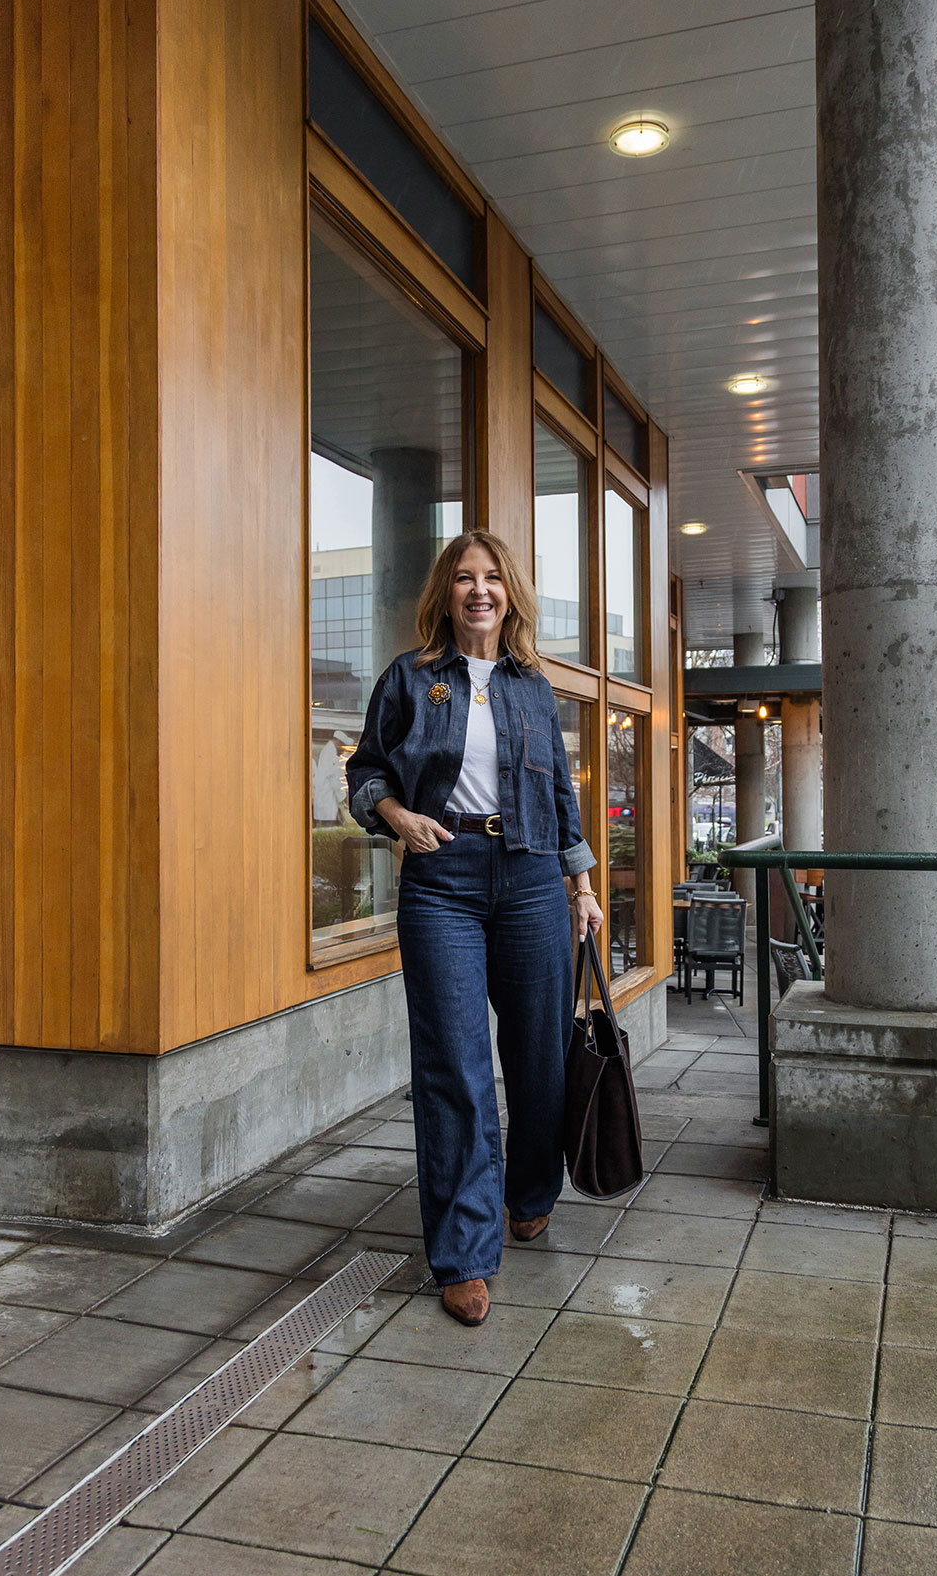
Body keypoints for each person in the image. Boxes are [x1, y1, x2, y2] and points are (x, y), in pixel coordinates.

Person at [346, 530, 603, 1326]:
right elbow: (365, 772)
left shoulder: (533, 685)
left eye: (492, 578)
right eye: (464, 578)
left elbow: (562, 792)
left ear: (510, 594)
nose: (479, 590)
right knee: (454, 1067)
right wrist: (395, 818)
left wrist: (583, 887)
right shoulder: (410, 678)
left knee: (538, 1059)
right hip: (443, 879)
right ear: (445, 593)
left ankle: (529, 1191)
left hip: (530, 879)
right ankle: (463, 1249)